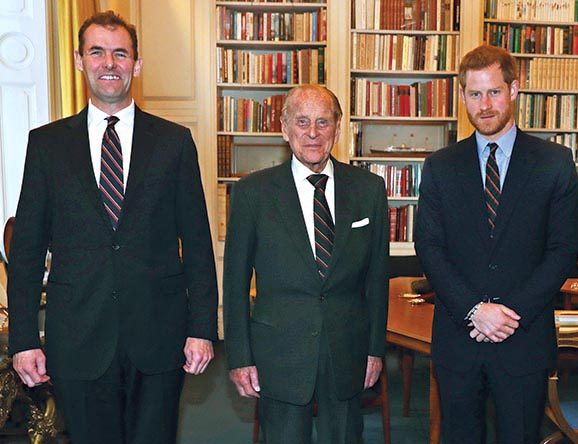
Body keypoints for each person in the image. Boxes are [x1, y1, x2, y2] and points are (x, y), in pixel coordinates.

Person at [7, 10, 218, 444]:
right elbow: (27, 251)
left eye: (120, 54)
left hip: (159, 339)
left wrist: (201, 328)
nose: (109, 63)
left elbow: (197, 244)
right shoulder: (46, 145)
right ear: (80, 60)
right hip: (79, 338)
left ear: (136, 65)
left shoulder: (174, 143)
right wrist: (24, 339)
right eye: (97, 52)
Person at [414, 44, 578, 443]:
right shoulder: (440, 166)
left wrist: (509, 315)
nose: (485, 104)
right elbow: (430, 248)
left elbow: (562, 252)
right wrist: (475, 310)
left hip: (523, 339)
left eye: (494, 92)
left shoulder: (554, 162)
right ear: (462, 97)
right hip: (459, 339)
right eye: (475, 93)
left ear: (515, 90)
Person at [223, 84, 389, 444]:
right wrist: (239, 357)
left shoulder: (369, 189)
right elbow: (234, 282)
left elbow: (377, 280)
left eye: (322, 122)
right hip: (279, 354)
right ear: (285, 129)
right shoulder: (252, 193)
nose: (312, 133)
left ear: (337, 129)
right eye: (302, 122)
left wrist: (375, 350)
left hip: (348, 351)